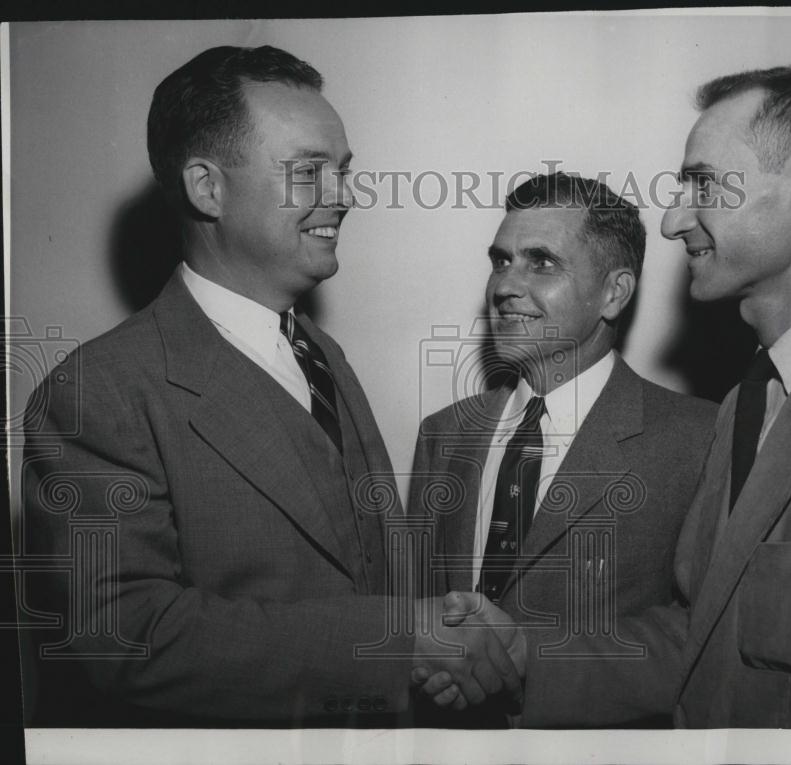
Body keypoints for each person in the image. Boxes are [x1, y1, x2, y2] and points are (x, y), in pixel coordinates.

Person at [433, 66, 791, 729]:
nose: (672, 220)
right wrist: (524, 653)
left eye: (702, 183)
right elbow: (697, 639)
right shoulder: (743, 409)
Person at [19, 45, 517, 728]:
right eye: (309, 172)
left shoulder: (320, 354)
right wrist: (401, 644)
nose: (345, 196)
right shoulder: (95, 391)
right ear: (206, 187)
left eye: (342, 172)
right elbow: (127, 635)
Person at [407, 173, 717, 725]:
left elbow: (703, 639)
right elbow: (413, 618)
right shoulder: (443, 435)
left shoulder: (698, 439)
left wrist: (533, 662)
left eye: (541, 262)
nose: (505, 285)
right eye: (501, 260)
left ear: (613, 294)